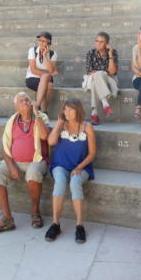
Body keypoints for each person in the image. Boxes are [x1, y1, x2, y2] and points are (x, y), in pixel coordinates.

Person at [0, 92, 50, 233]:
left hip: (37, 160)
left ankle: (35, 211)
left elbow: (45, 136)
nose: (26, 102)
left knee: (33, 173)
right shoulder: (12, 121)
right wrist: (11, 167)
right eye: (22, 101)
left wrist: (36, 114)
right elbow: (5, 147)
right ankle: (7, 218)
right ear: (16, 106)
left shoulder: (41, 117)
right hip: (14, 161)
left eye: (27, 99)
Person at [45, 98, 96, 244]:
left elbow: (92, 153)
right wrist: (59, 124)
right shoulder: (61, 126)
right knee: (60, 181)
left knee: (75, 182)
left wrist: (78, 167)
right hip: (60, 165)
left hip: (81, 166)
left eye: (70, 109)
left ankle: (79, 225)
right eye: (65, 109)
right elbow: (51, 142)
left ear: (78, 111)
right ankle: (55, 224)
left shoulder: (87, 128)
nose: (67, 112)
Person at [83, 31, 119, 125]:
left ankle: (95, 113)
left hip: (109, 80)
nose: (98, 43)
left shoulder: (113, 52)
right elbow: (90, 71)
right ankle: (103, 105)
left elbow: (112, 72)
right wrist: (102, 72)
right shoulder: (90, 53)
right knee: (96, 80)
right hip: (94, 79)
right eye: (97, 41)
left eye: (101, 41)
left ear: (106, 44)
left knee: (99, 74)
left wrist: (110, 54)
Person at [25, 31, 58, 114]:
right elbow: (33, 70)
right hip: (32, 78)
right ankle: (43, 111)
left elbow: (51, 70)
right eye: (39, 40)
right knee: (48, 83)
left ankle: (38, 107)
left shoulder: (53, 54)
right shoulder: (32, 50)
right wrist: (48, 74)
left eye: (43, 41)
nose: (40, 42)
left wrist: (45, 56)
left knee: (47, 80)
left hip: (46, 79)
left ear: (49, 43)